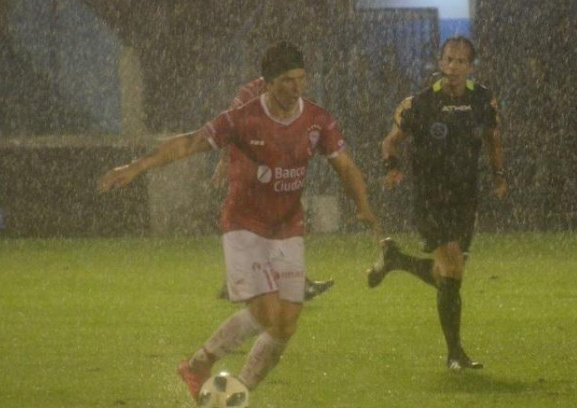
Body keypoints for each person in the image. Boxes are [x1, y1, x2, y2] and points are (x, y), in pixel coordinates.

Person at [99, 41, 381, 399]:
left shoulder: (317, 119)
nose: (296, 88)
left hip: (288, 227)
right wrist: (136, 167)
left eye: (301, 79)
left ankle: (236, 392)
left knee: (286, 324)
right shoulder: (243, 118)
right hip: (245, 225)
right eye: (286, 81)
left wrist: (363, 204)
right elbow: (189, 144)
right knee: (265, 312)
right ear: (267, 82)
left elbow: (345, 166)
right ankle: (201, 364)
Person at [367, 36, 507, 371]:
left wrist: (498, 174)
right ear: (440, 63)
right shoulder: (421, 103)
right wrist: (393, 167)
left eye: (461, 61)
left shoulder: (483, 100)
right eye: (449, 60)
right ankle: (455, 353)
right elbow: (389, 143)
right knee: (453, 270)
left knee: (448, 276)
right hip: (431, 199)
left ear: (471, 66)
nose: (454, 67)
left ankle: (396, 259)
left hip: (465, 198)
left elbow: (493, 138)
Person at [214, 77, 334, 302]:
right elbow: (231, 126)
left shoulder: (285, 91)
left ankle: (238, 281)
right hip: (252, 172)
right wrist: (224, 161)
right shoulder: (249, 93)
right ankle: (291, 282)